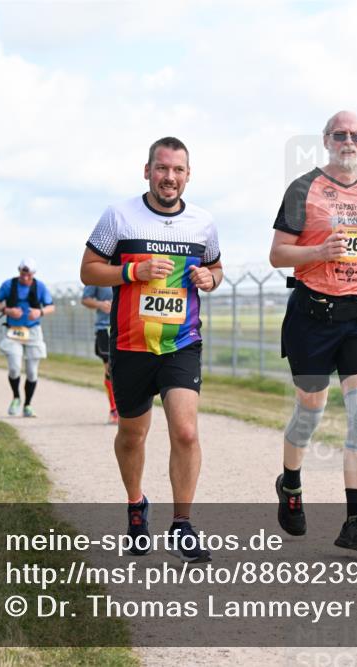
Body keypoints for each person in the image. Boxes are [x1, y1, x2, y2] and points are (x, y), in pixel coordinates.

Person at [80, 136, 222, 564]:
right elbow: (88, 268)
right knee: (132, 434)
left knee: (186, 431)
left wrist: (209, 280)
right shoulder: (119, 217)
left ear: (188, 175)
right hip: (130, 345)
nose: (170, 177)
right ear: (147, 171)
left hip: (181, 343)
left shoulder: (203, 223)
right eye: (162, 169)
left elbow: (216, 268)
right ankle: (136, 506)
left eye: (178, 170)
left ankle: (183, 524)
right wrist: (132, 270)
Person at [268, 110, 357, 554]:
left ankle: (355, 522)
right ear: (326, 140)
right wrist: (319, 249)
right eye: (340, 134)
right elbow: (277, 254)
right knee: (310, 411)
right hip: (312, 316)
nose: (348, 141)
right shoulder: (303, 189)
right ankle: (290, 483)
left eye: (356, 135)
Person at [0, 259, 55, 417]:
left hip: (33, 331)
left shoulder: (40, 287)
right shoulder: (9, 285)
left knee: (32, 372)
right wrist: (7, 310)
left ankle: (28, 404)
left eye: (29, 275)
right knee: (14, 367)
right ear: (19, 272)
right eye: (23, 274)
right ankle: (16, 397)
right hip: (13, 331)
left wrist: (40, 312)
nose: (25, 278)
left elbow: (51, 306)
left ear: (33, 274)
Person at [81, 283, 119, 423]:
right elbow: (85, 299)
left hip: (126, 326)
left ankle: (127, 409)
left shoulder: (128, 266)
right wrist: (100, 304)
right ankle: (114, 410)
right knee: (111, 368)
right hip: (105, 328)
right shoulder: (99, 270)